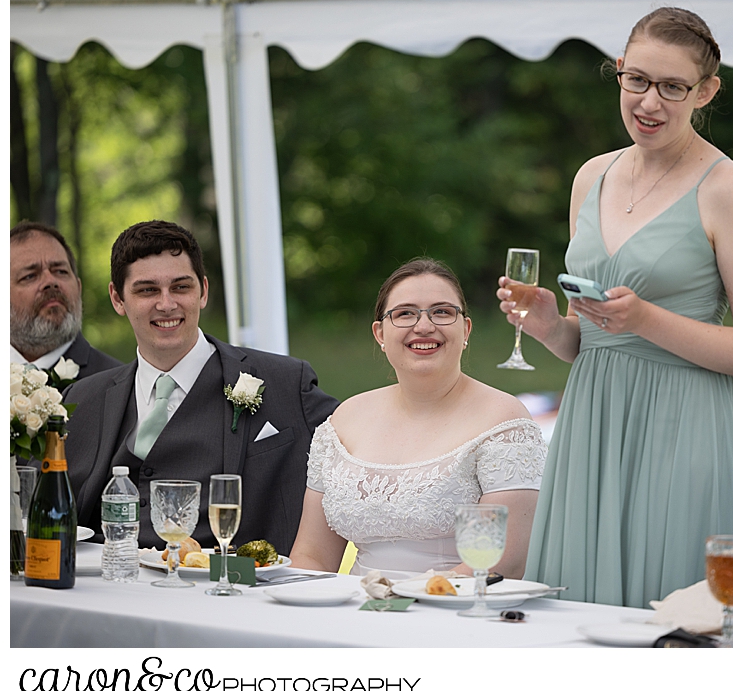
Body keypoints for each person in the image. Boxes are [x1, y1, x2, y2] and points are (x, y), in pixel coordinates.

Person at [497, 7, 733, 608]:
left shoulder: (724, 188)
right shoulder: (591, 176)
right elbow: (592, 339)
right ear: (620, 72)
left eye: (673, 87)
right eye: (637, 80)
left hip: (684, 428)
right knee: (579, 616)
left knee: (673, 627)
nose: (649, 102)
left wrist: (648, 319)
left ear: (705, 91)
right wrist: (551, 325)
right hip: (593, 422)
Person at [63, 220, 339, 555]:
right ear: (118, 299)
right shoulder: (82, 399)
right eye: (147, 290)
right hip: (109, 586)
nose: (166, 304)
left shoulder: (284, 382)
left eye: (180, 287)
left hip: (231, 591)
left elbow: (357, 445)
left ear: (203, 291)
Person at [290, 258, 546, 579]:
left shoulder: (503, 420)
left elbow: (504, 561)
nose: (424, 326)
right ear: (380, 333)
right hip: (355, 611)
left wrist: (404, 600)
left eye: (441, 312)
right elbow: (312, 556)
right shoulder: (345, 419)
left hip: (456, 609)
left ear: (465, 329)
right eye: (405, 313)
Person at [10, 222, 122, 387]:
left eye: (60, 271)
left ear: (79, 287)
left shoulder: (119, 385)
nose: (50, 281)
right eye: (29, 276)